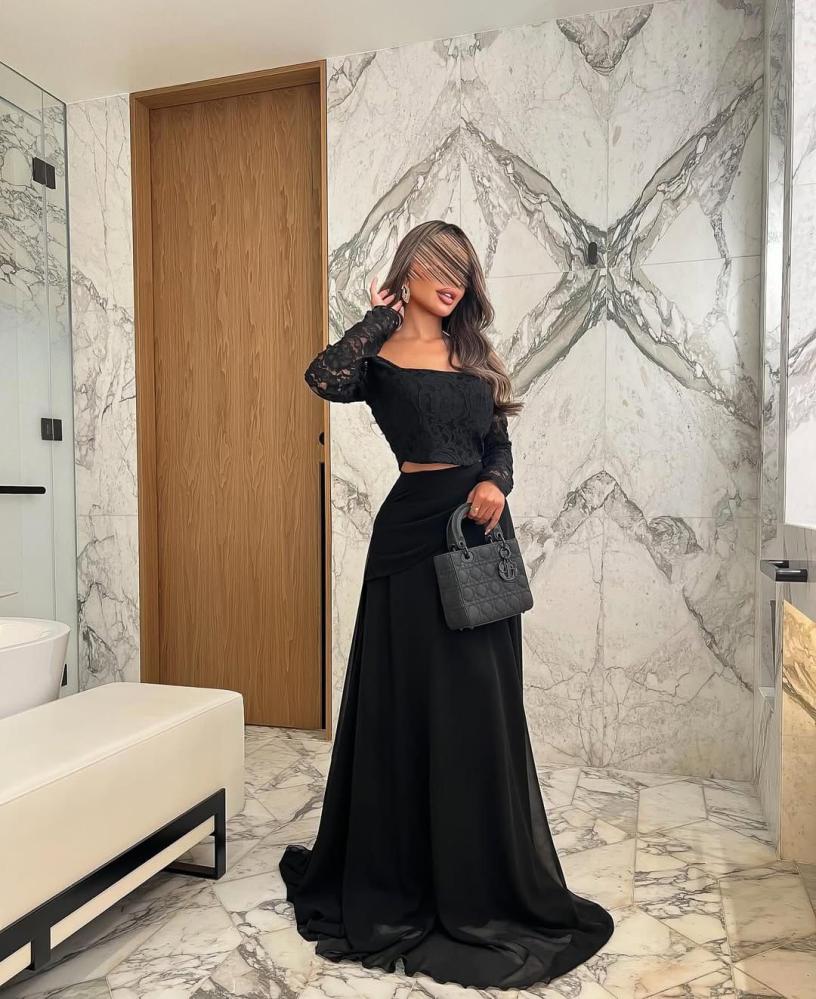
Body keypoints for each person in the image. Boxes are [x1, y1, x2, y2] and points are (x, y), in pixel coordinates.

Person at [279, 220, 613, 990]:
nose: (452, 278)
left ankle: (481, 872)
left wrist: (497, 481)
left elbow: (498, 442)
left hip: (478, 535)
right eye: (437, 263)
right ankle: (404, 870)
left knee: (478, 706)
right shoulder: (379, 357)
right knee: (405, 705)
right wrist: (379, 317)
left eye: (462, 266)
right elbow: (322, 376)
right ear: (407, 269)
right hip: (407, 539)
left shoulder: (475, 354)